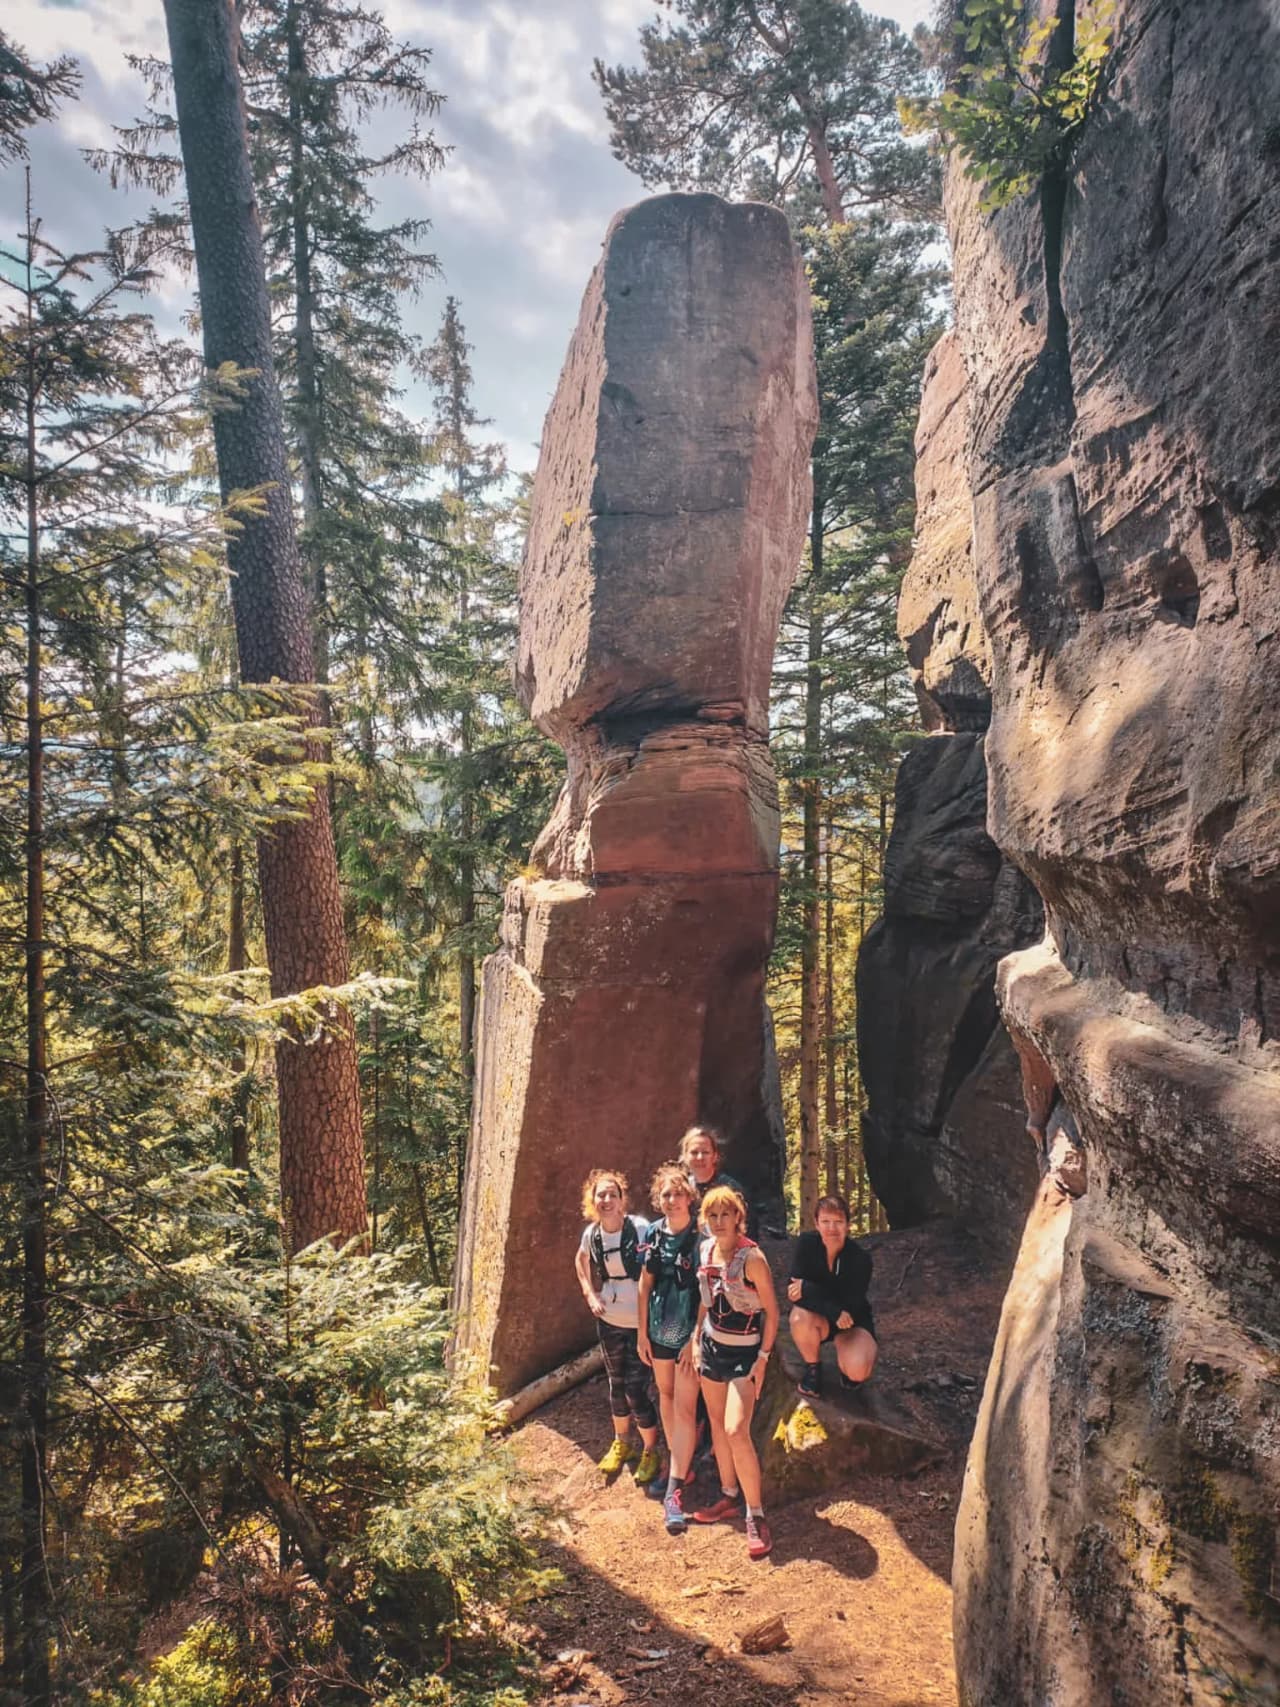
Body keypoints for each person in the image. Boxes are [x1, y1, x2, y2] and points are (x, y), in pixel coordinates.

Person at [690, 1185, 780, 1559]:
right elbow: (705, 1298)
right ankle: (728, 1495)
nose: (718, 1222)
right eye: (712, 1215)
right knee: (714, 1423)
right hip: (712, 1347)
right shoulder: (706, 1249)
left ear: (738, 1217)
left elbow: (772, 1313)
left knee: (735, 1430)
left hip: (745, 1354)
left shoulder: (753, 1258)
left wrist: (762, 1358)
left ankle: (755, 1513)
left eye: (725, 1214)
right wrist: (695, 1339)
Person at [574, 1169, 661, 1483]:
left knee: (637, 1390)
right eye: (601, 1195)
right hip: (610, 1321)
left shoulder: (639, 1228)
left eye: (613, 1194)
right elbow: (580, 1260)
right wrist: (589, 1293)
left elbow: (657, 1267)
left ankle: (651, 1449)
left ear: (622, 1200)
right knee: (616, 1386)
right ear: (592, 1201)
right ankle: (622, 1442)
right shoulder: (592, 1234)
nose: (606, 1200)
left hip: (640, 1323)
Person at [636, 1164, 701, 1535]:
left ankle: (674, 1491)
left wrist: (694, 1338)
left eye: (678, 1193)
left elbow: (708, 1292)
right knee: (666, 1394)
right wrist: (642, 1333)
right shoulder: (655, 1236)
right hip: (660, 1330)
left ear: (689, 1198)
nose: (672, 1200)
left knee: (685, 1406)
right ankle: (680, 1461)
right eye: (666, 1194)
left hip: (689, 1336)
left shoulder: (700, 1236)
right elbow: (645, 1285)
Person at [787, 1193, 877, 1400]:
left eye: (838, 1222)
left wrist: (809, 1289)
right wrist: (832, 1309)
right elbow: (794, 1293)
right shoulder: (806, 1245)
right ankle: (813, 1368)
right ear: (817, 1224)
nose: (832, 1228)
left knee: (858, 1371)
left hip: (851, 1322)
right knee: (799, 1317)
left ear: (847, 1225)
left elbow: (852, 1303)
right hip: (825, 1316)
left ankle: (847, 1365)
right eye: (825, 1222)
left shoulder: (860, 1259)